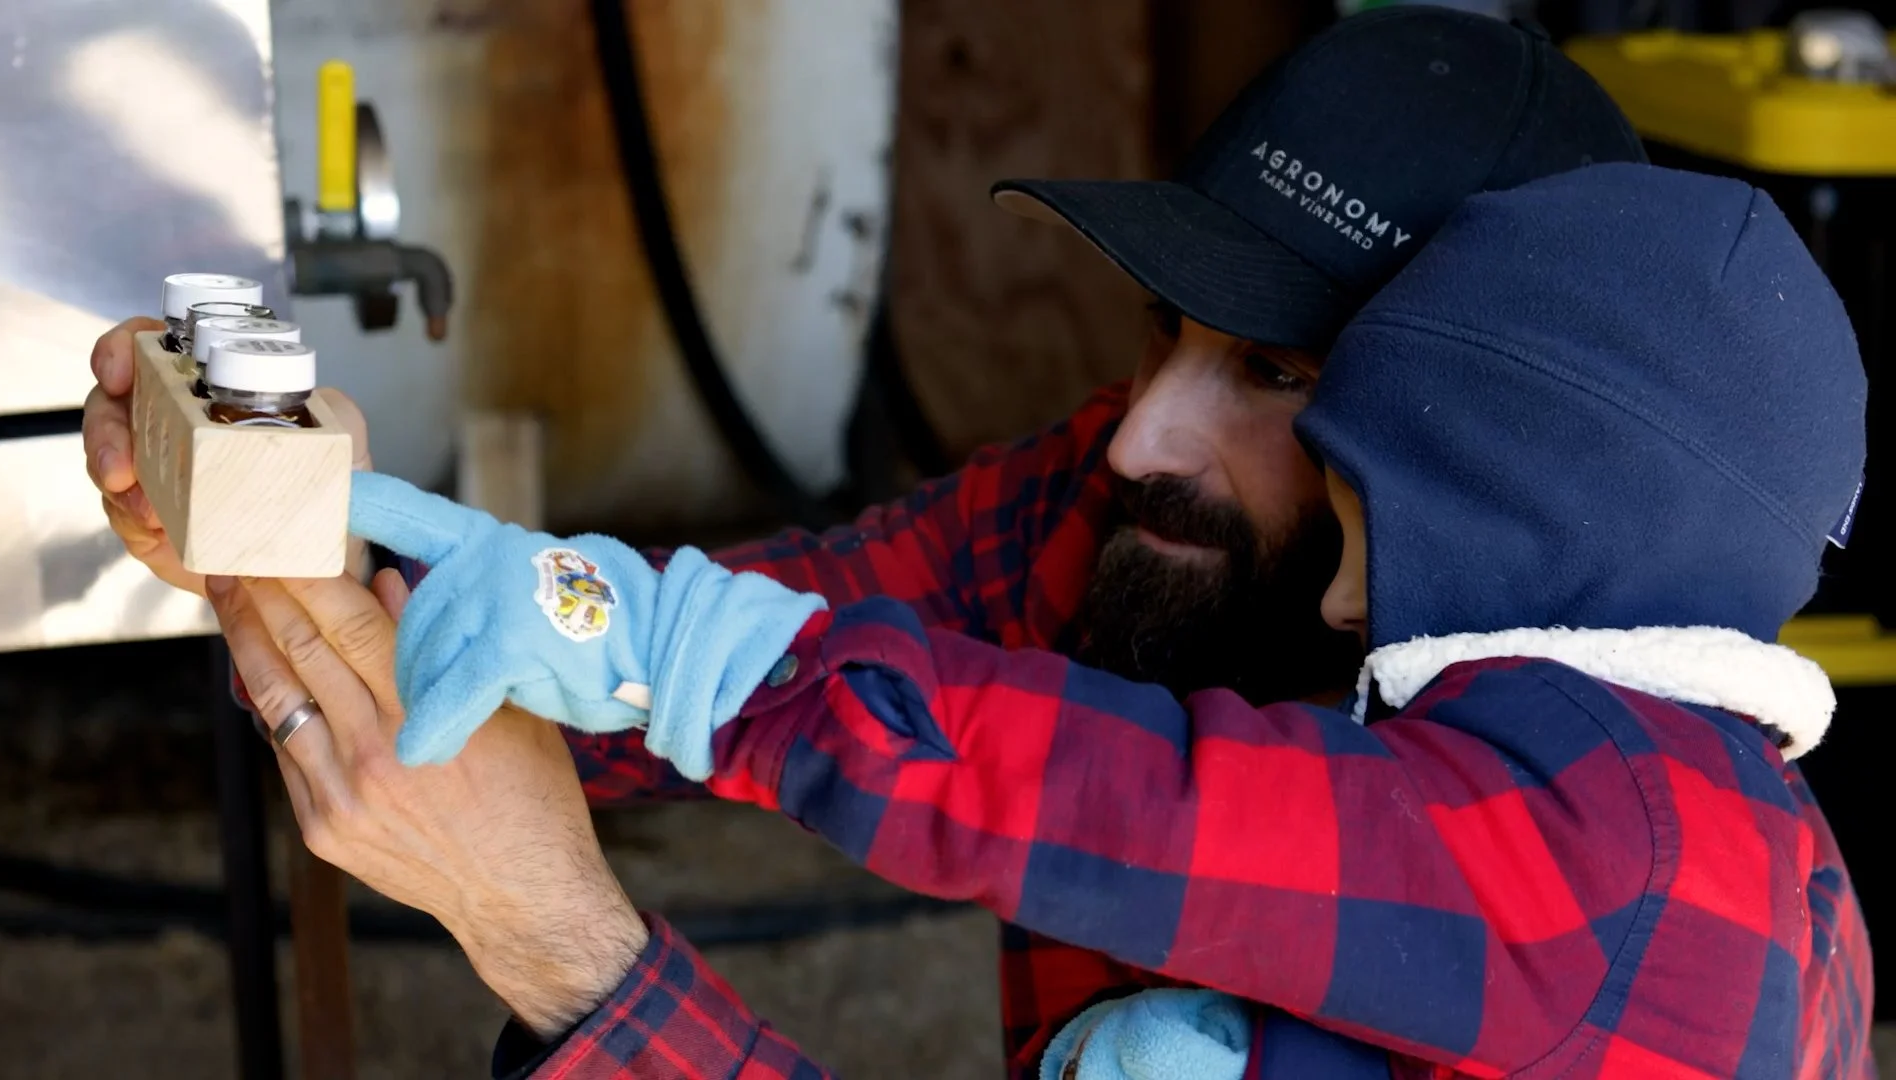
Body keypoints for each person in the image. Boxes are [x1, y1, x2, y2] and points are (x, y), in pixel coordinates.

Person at [76, 7, 1687, 1076]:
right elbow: (682, 652)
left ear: (1477, 460)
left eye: (1270, 371)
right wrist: (315, 539)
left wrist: (566, 949)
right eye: (1164, 329)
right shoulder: (1114, 519)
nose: (1140, 437)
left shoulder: (1596, 885)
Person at [270, 162, 1885, 1079]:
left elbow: (1133, 805)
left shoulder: (1625, 854)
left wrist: (678, 658)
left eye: (1289, 388)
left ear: (1519, 511)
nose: (1132, 443)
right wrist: (328, 575)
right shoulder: (1707, 826)